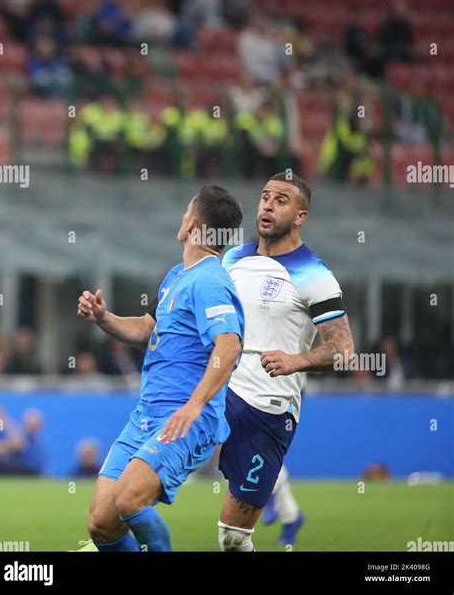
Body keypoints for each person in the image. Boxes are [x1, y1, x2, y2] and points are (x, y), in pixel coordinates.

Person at [76, 185, 244, 552]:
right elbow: (147, 329)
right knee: (101, 523)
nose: (181, 218)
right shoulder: (177, 276)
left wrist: (195, 405)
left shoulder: (210, 281)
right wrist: (103, 318)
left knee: (130, 500)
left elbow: (229, 345)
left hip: (184, 418)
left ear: (193, 224)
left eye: (186, 212)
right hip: (146, 417)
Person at [217, 172, 354, 551]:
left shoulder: (315, 276)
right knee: (156, 464)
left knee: (232, 538)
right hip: (221, 392)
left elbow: (343, 350)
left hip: (269, 408)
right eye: (264, 197)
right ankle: (108, 529)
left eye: (281, 200)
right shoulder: (234, 258)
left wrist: (297, 360)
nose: (267, 205)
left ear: (300, 216)